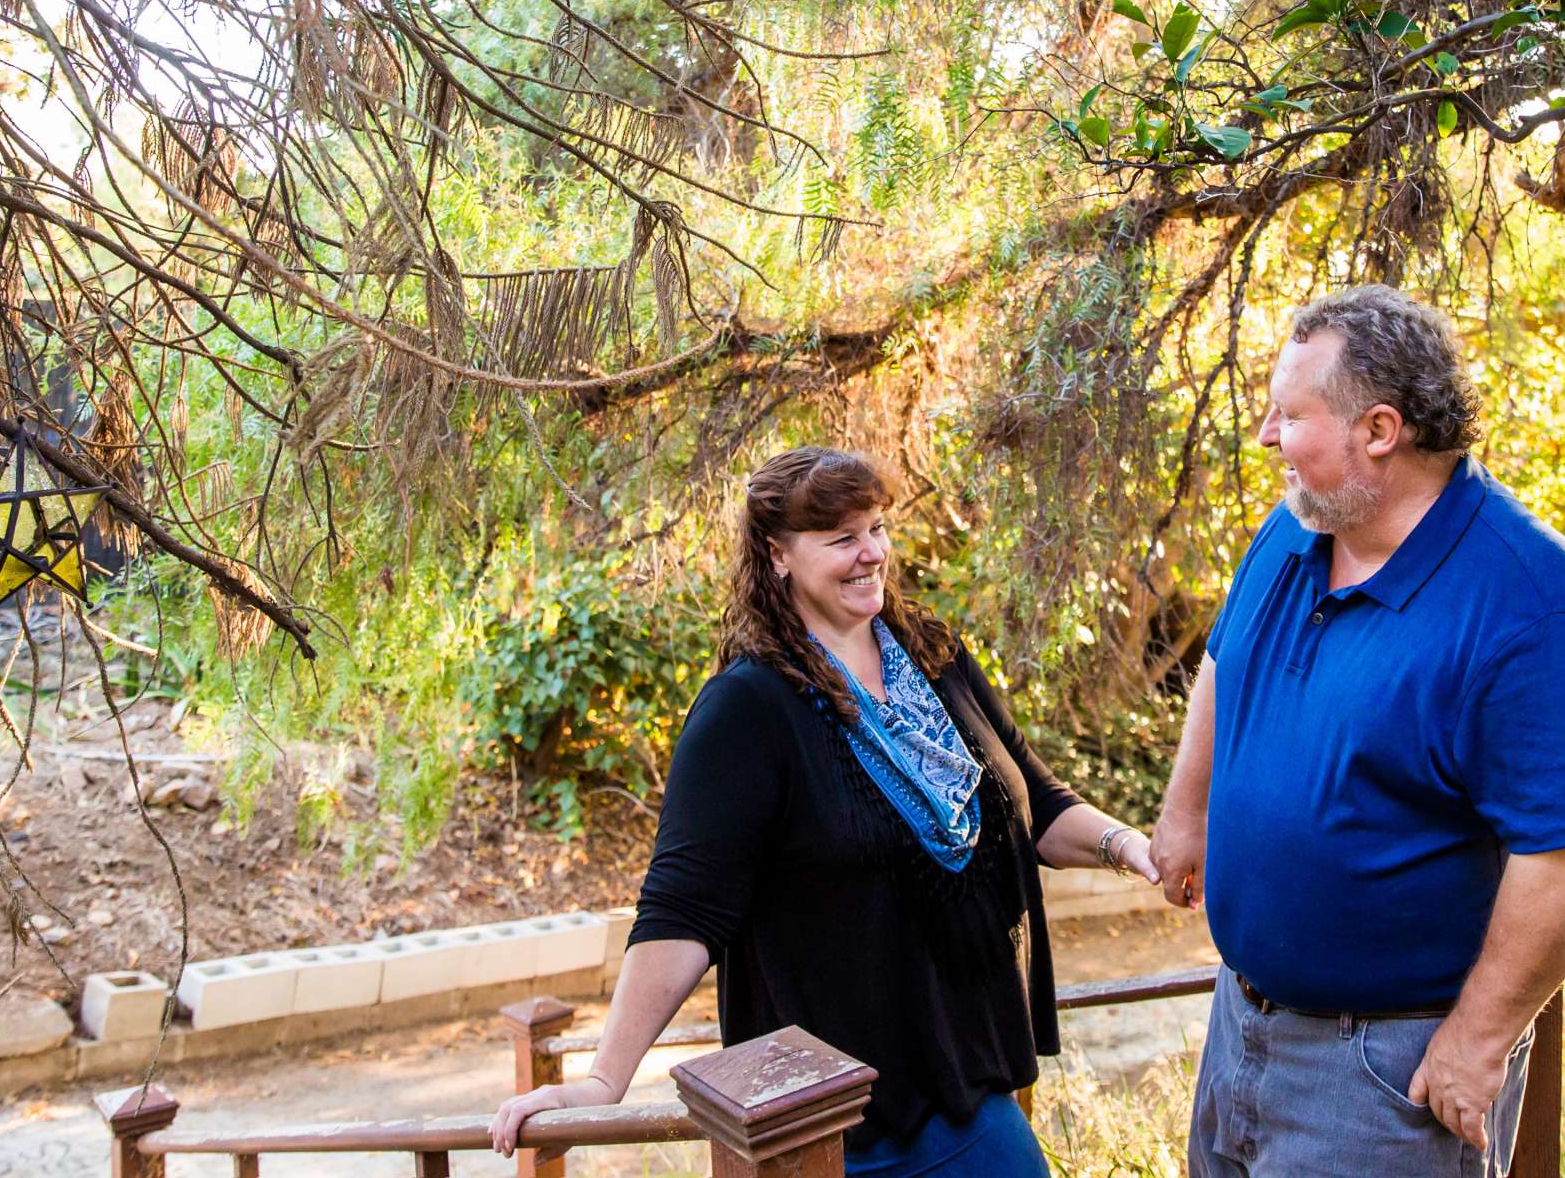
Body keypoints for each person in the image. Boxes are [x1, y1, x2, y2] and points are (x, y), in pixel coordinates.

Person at [491, 445, 1160, 1175]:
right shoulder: (747, 711)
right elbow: (683, 912)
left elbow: (1035, 805)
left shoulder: (933, 657)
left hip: (966, 1099)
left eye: (876, 528)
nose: (871, 552)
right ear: (777, 555)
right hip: (830, 1134)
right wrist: (603, 1079)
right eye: (842, 538)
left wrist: (1135, 849)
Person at [1149, 285, 1565, 1178]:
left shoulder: (1531, 602)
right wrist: (1186, 812)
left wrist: (1479, 1041)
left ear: (1378, 430)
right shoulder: (1298, 529)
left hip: (1383, 1074)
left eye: (1288, 416)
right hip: (1240, 1026)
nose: (1264, 437)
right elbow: (1227, 661)